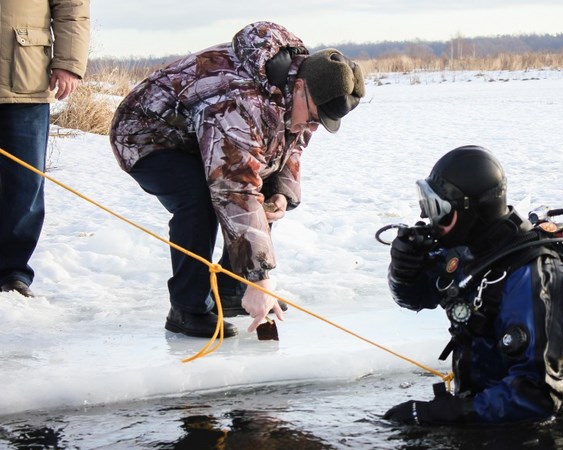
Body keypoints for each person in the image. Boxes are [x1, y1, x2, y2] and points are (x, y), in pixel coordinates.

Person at [109, 21, 365, 338]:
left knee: (264, 197)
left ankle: (231, 291)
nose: (313, 129)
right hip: (148, 136)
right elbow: (234, 187)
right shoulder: (239, 101)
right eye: (314, 118)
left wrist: (282, 193)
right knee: (201, 199)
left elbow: (288, 146)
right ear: (300, 88)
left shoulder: (298, 83)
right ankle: (187, 307)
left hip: (200, 138)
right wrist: (260, 278)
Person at [382, 145, 563, 425]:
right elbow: (415, 298)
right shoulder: (466, 251)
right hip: (487, 409)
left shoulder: (538, 278)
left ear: (472, 212)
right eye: (428, 205)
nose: (429, 219)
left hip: (557, 425)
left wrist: (450, 413)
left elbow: (538, 397)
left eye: (439, 210)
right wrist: (403, 270)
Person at [0, 0, 90, 298]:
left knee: (24, 184)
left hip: (24, 79)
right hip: (23, 76)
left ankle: (11, 273)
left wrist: (69, 63)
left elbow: (72, 8)